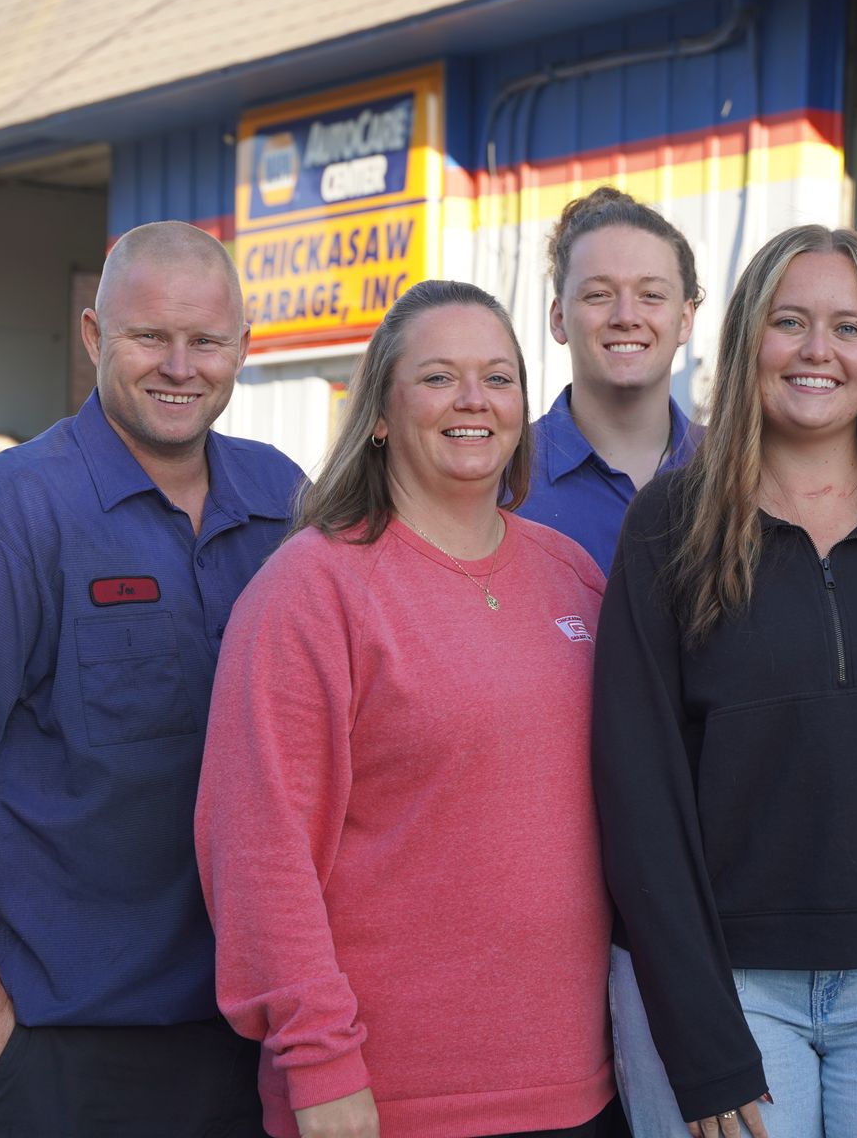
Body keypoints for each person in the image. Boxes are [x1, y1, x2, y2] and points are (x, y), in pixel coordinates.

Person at [0, 220, 300, 1136]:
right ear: (96, 337)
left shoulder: (286, 504)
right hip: (70, 1044)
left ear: (241, 350)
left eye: (207, 340)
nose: (180, 365)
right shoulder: (4, 517)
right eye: (150, 337)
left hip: (254, 1028)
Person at [593, 226, 857, 1138]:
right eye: (791, 322)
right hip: (725, 994)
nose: (818, 351)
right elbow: (638, 789)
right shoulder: (673, 523)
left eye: (847, 327)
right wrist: (698, 1037)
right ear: (748, 340)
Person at [195, 281, 616, 1138]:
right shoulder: (313, 588)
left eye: (499, 378)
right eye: (438, 378)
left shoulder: (571, 574)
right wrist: (319, 1064)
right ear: (380, 412)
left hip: (578, 1082)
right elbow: (260, 847)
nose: (474, 401)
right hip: (388, 1096)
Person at [515, 186, 704, 573]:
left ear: (685, 319)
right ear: (558, 318)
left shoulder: (736, 470)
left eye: (651, 294)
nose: (625, 316)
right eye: (599, 294)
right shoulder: (505, 477)